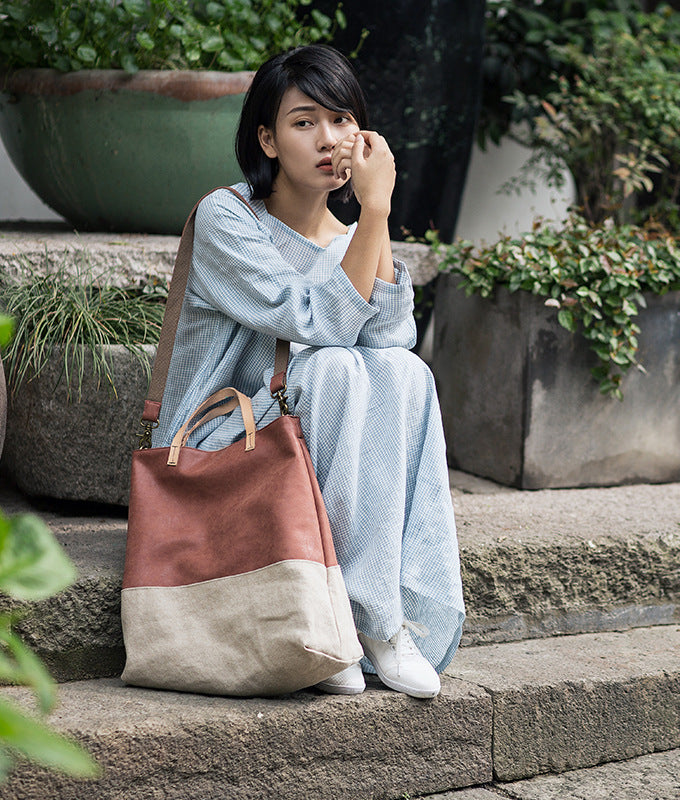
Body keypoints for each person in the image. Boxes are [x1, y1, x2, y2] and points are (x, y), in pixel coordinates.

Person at [153, 44, 464, 699]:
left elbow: (388, 334)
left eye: (342, 120)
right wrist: (376, 213)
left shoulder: (351, 237)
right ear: (267, 138)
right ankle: (356, 618)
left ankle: (374, 621)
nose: (329, 139)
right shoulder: (227, 219)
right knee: (338, 372)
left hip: (302, 421)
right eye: (304, 122)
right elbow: (315, 320)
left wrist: (371, 220)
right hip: (217, 445)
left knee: (407, 376)